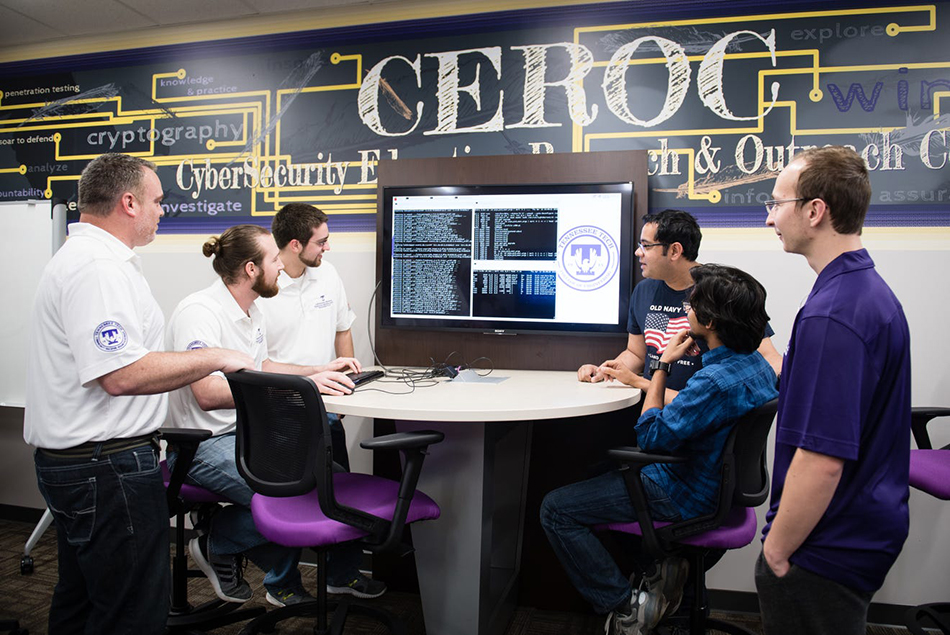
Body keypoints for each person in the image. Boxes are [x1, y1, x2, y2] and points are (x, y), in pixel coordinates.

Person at [24, 153, 253, 635]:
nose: (161, 211)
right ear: (128, 202)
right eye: (157, 201)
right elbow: (122, 374)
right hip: (105, 468)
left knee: (83, 600)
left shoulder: (91, 260)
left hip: (84, 465)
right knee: (132, 611)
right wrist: (215, 356)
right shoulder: (98, 269)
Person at [542, 264, 779, 635]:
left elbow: (650, 437)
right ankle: (661, 570)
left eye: (692, 305)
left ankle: (627, 606)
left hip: (683, 491)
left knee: (555, 509)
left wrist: (662, 366)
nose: (686, 309)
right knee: (595, 473)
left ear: (711, 322)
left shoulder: (713, 382)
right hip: (719, 485)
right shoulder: (756, 366)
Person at [757, 146, 911, 634]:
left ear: (814, 210)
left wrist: (777, 552)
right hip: (856, 529)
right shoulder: (861, 290)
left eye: (776, 204)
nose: (769, 219)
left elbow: (822, 460)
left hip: (824, 547)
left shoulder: (834, 313)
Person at [165, 224, 361, 608]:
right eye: (274, 260)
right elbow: (207, 393)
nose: (282, 268)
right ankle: (216, 541)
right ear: (252, 269)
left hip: (248, 437)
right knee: (297, 494)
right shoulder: (199, 313)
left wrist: (318, 371)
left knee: (331, 480)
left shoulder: (251, 309)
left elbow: (264, 365)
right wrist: (300, 391)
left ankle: (224, 544)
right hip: (202, 447)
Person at [257, 202, 386, 598]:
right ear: (295, 245)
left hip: (326, 409)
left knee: (339, 491)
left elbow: (342, 329)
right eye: (321, 241)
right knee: (290, 496)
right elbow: (257, 359)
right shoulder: (263, 285)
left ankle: (342, 573)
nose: (327, 248)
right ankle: (281, 584)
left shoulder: (326, 274)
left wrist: (347, 381)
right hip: (278, 413)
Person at [577, 209, 781, 398]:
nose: (638, 253)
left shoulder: (720, 289)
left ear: (675, 251)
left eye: (646, 246)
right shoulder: (643, 290)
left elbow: (767, 357)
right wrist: (606, 370)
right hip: (655, 410)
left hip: (702, 411)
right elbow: (636, 354)